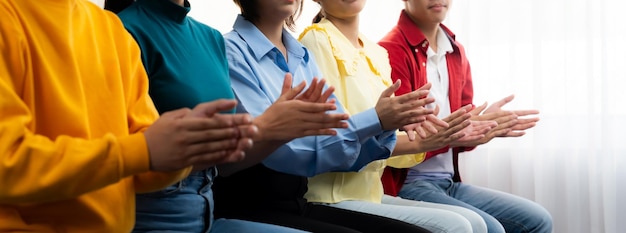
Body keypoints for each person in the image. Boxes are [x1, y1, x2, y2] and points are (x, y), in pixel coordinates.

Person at [0, 0, 258, 232]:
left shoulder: (111, 29)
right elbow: (6, 162)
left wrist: (184, 147)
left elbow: (143, 161)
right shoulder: (8, 17)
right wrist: (141, 152)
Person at [107, 0, 351, 232]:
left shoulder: (210, 38)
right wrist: (265, 128)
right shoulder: (121, 31)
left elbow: (226, 166)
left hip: (207, 213)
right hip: (154, 218)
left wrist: (278, 131)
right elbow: (127, 157)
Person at [212, 0, 436, 232]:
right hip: (251, 207)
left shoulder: (302, 56)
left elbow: (338, 145)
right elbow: (284, 153)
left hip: (297, 203)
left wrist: (388, 124)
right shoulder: (230, 51)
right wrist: (376, 120)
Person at [297, 0, 499, 232]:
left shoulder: (376, 52)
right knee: (458, 227)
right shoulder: (316, 41)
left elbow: (388, 151)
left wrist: (429, 137)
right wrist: (427, 138)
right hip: (332, 196)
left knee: (476, 224)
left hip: (372, 195)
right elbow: (328, 141)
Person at [377, 0, 554, 232]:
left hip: (448, 182)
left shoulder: (455, 50)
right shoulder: (390, 50)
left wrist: (483, 126)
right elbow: (396, 138)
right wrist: (457, 133)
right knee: (491, 228)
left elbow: (461, 137)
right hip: (407, 184)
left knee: (539, 219)